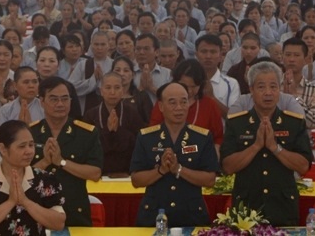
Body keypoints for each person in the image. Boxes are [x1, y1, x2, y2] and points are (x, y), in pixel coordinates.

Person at [221, 61, 313, 227]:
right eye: (261, 87)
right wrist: (256, 146)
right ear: (251, 90)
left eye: (273, 87)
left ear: (280, 89)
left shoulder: (294, 123)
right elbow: (227, 167)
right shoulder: (237, 123)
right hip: (246, 209)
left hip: (283, 207)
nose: (268, 93)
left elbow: (303, 166)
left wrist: (274, 147)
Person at [131, 82, 217, 228]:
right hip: (154, 216)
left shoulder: (202, 137)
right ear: (161, 107)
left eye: (184, 102)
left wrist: (179, 169)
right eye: (172, 102)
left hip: (191, 216)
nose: (179, 107)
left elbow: (210, 179)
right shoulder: (146, 137)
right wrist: (161, 170)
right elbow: (136, 180)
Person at [0, 120, 66, 236]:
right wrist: (11, 202)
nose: (29, 151)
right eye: (22, 146)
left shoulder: (45, 179)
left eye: (31, 145)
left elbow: (59, 223)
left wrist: (25, 202)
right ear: (3, 149)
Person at [30, 76, 103, 227]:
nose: (60, 104)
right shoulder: (29, 133)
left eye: (65, 99)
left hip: (74, 211)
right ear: (42, 102)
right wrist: (44, 162)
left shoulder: (87, 133)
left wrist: (61, 162)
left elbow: (95, 173)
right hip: (36, 211)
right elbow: (20, 175)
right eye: (54, 99)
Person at [148, 59, 224, 147]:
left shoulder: (209, 105)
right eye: (185, 86)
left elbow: (218, 137)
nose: (189, 91)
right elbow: (153, 131)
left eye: (194, 87)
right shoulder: (164, 101)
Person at [83, 72, 143, 177]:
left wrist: (118, 131)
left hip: (127, 172)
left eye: (117, 88)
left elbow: (139, 144)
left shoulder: (132, 113)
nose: (112, 92)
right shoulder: (90, 115)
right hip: (99, 171)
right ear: (101, 91)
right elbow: (86, 146)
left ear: (123, 91)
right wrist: (107, 131)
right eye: (108, 88)